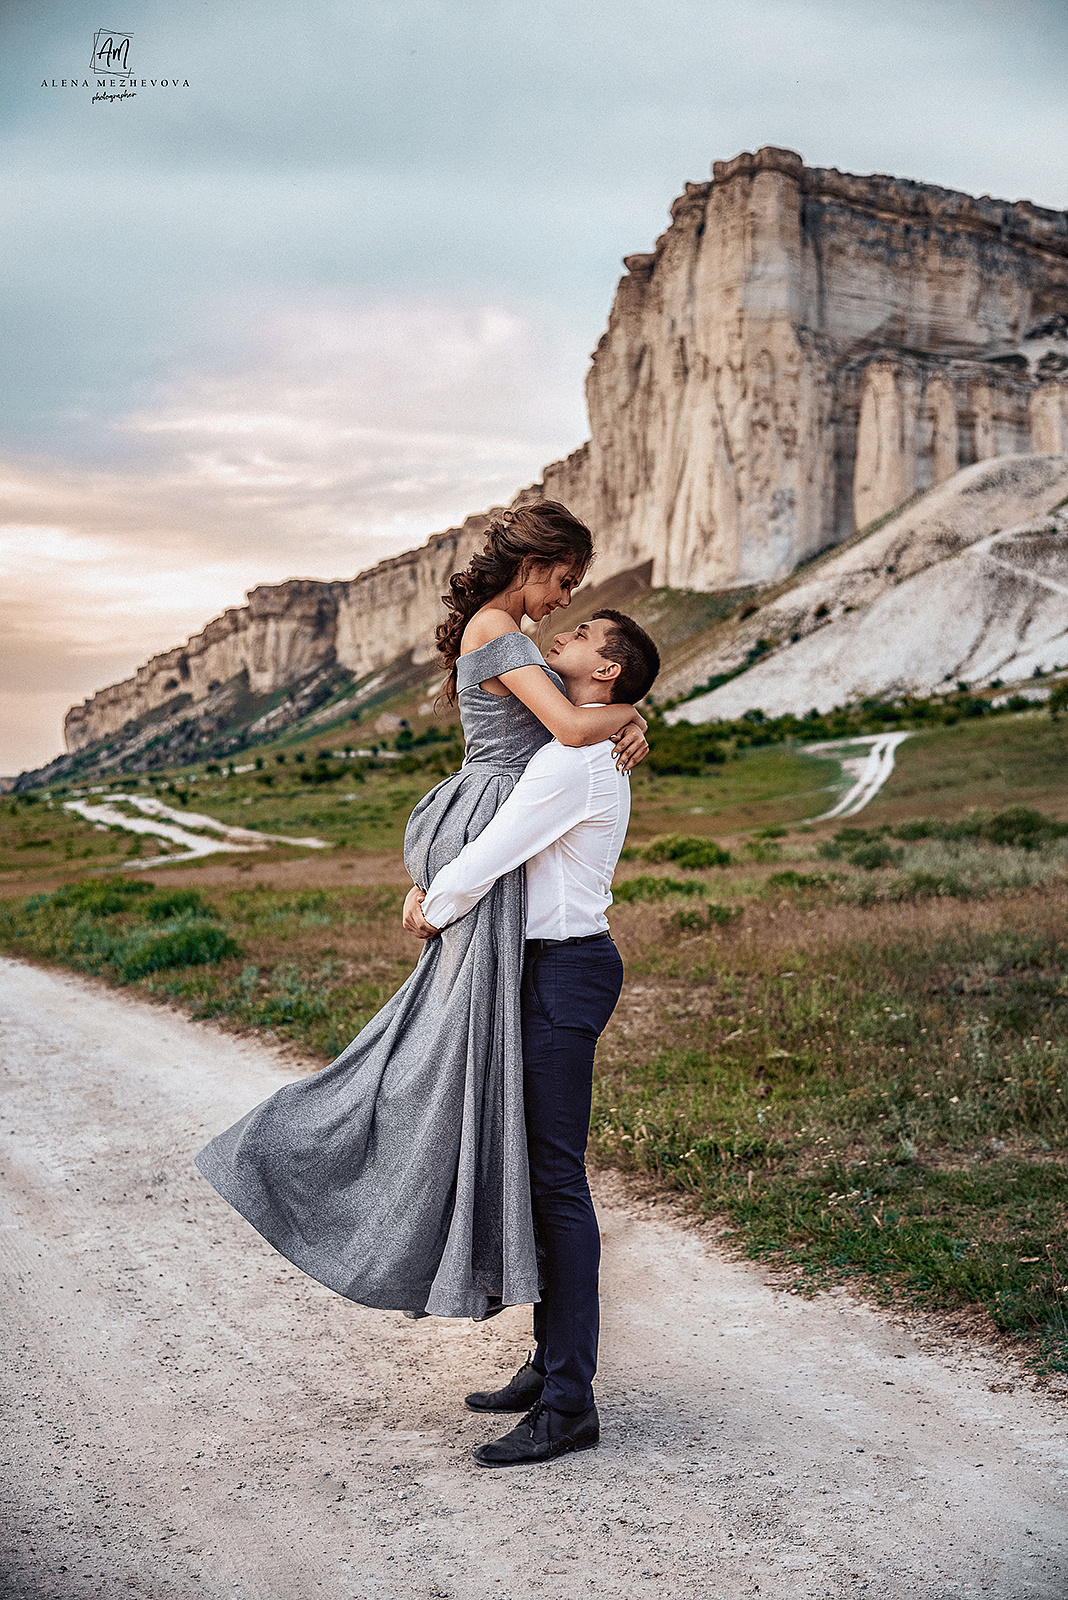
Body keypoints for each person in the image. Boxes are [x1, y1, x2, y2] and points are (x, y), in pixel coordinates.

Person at [194, 502, 650, 1326]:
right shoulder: (500, 633)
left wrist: (617, 717)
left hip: (500, 839)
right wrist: (629, 715)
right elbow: (571, 725)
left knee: (437, 1053)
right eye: (565, 583)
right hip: (491, 829)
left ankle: (515, 1318)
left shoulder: (504, 637)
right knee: (427, 1055)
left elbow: (568, 733)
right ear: (536, 563)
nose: (564, 603)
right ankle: (303, 1159)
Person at [402, 608, 661, 1467]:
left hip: (563, 971)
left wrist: (430, 901)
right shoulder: (586, 745)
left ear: (608, 672)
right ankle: (547, 1367)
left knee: (555, 1183)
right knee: (539, 1171)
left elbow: (496, 851)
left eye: (584, 631)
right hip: (549, 969)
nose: (561, 633)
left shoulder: (575, 758)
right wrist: (631, 719)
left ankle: (569, 1401)